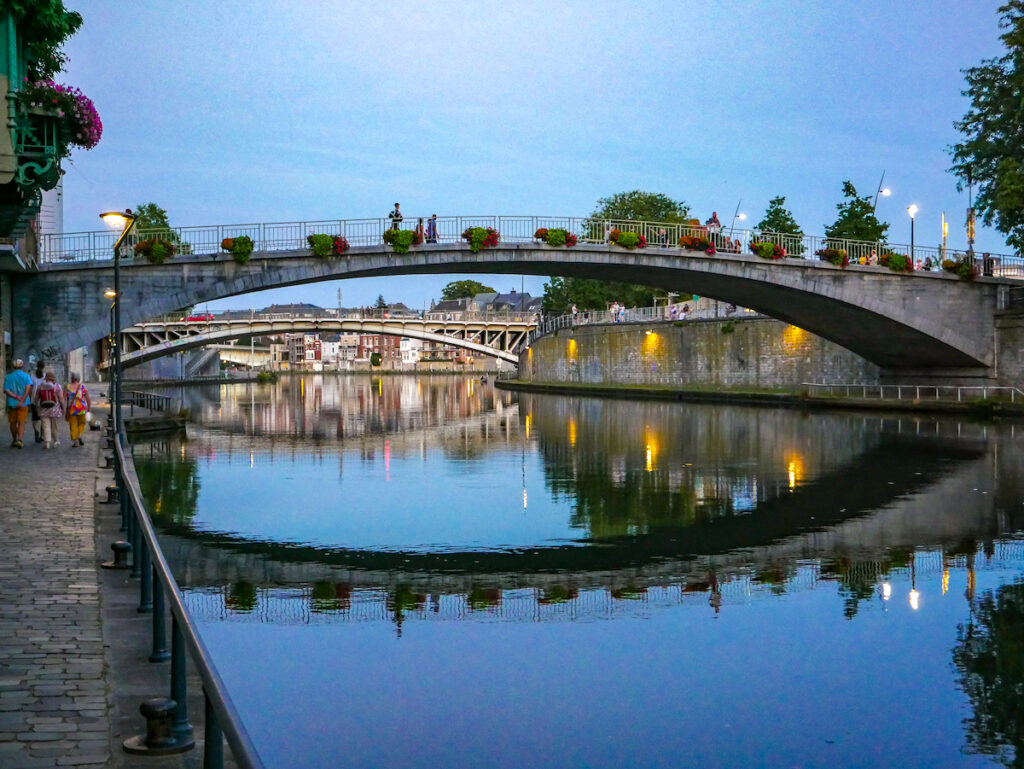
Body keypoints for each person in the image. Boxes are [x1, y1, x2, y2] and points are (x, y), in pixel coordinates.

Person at [4, 359, 33, 448]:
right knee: (21, 422)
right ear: (22, 366)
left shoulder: (8, 377)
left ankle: (14, 440)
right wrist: (22, 400)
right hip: (24, 403)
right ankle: (20, 440)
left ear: (13, 367)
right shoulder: (26, 376)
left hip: (12, 403)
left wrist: (16, 397)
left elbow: (6, 390)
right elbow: (28, 389)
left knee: (12, 422)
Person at [34, 370, 65, 449]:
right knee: (55, 426)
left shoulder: (40, 386)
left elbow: (36, 398)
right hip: (55, 409)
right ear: (53, 379)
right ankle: (55, 441)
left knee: (45, 426)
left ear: (46, 378)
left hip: (43, 409)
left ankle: (47, 442)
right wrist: (63, 408)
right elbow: (61, 398)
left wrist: (37, 406)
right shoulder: (57, 386)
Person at [64, 372, 91, 448]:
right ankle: (79, 435)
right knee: (82, 423)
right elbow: (88, 399)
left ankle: (75, 442)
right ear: (79, 378)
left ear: (72, 378)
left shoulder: (68, 387)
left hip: (71, 409)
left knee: (73, 425)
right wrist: (89, 408)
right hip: (81, 409)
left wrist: (63, 408)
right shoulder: (83, 387)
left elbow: (64, 398)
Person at [30, 360, 44, 443]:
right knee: (43, 418)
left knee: (35, 418)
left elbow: (30, 388)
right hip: (43, 399)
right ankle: (42, 435)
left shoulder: (32, 376)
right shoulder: (45, 376)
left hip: (33, 399)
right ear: (44, 367)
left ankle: (36, 431)